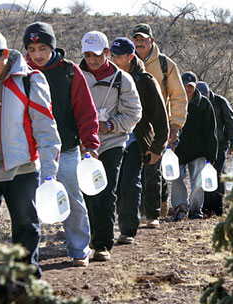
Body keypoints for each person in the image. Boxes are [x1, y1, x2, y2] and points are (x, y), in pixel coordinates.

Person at [0, 29, 61, 292]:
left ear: (5, 54)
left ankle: (24, 277)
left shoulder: (31, 80)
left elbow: (45, 127)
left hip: (22, 166)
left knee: (25, 222)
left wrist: (49, 172)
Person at [23, 22, 100, 267]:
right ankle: (28, 257)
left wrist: (90, 143)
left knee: (73, 199)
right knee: (28, 204)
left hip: (66, 148)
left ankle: (79, 249)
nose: (37, 54)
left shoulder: (70, 72)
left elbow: (86, 111)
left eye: (42, 48)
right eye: (32, 49)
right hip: (30, 152)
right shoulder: (20, 72)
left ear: (52, 47)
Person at [80, 31, 142, 261]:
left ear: (106, 53)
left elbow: (134, 112)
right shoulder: (75, 76)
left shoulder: (122, 79)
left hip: (112, 142)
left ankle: (103, 245)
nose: (92, 60)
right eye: (87, 55)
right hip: (82, 144)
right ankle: (90, 237)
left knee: (105, 191)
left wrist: (111, 125)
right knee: (86, 192)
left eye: (96, 55)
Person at [109, 37, 169, 244]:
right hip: (108, 141)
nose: (113, 59)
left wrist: (157, 148)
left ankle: (127, 230)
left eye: (118, 56)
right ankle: (108, 227)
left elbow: (161, 120)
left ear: (130, 57)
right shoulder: (104, 77)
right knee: (111, 187)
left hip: (134, 142)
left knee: (130, 184)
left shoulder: (145, 81)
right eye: (112, 55)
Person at [131, 23, 188, 218]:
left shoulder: (166, 65)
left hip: (158, 126)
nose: (139, 43)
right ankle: (137, 211)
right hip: (132, 125)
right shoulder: (125, 62)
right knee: (134, 169)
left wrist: (175, 125)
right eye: (136, 40)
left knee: (154, 168)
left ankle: (156, 209)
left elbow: (178, 96)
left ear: (151, 41)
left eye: (142, 40)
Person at [171, 72, 217, 221]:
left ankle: (195, 210)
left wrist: (211, 155)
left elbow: (211, 131)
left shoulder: (204, 104)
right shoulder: (174, 102)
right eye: (184, 85)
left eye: (190, 86)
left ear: (195, 86)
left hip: (199, 150)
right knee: (176, 177)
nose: (187, 89)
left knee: (198, 182)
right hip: (177, 149)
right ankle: (180, 208)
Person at [196, 81, 233, 217]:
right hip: (203, 145)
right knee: (203, 176)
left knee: (217, 174)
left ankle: (217, 208)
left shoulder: (220, 102)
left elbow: (231, 124)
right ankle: (206, 209)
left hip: (220, 145)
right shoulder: (195, 101)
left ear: (209, 93)